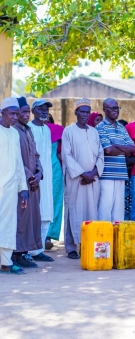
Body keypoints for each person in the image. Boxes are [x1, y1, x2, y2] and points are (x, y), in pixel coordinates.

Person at [62, 98, 104, 259]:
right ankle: (71, 247)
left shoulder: (94, 132)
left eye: (87, 112)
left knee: (91, 211)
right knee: (74, 210)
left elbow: (100, 154)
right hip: (76, 179)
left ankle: (88, 244)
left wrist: (93, 173)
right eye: (82, 111)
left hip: (92, 179)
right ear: (76, 113)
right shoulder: (69, 131)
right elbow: (67, 156)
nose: (85, 115)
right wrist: (82, 174)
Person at [11, 97, 43, 268]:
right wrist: (30, 175)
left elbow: (36, 155)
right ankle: (16, 253)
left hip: (33, 183)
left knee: (32, 219)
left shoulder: (28, 130)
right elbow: (15, 160)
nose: (25, 115)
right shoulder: (12, 131)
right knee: (20, 218)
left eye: (27, 111)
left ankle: (24, 252)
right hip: (20, 184)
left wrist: (39, 173)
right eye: (22, 111)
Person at [0, 97, 28, 275]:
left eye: (17, 114)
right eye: (12, 113)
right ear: (2, 113)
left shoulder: (15, 134)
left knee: (8, 224)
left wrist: (23, 188)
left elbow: (19, 163)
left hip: (10, 189)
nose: (15, 117)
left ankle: (6, 262)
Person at [96, 99, 135, 222]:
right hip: (106, 175)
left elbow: (132, 148)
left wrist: (116, 146)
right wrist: (123, 149)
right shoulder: (100, 127)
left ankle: (115, 240)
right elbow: (108, 150)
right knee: (104, 210)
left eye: (117, 108)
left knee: (118, 213)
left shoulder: (122, 128)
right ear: (104, 109)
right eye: (112, 108)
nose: (115, 110)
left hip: (121, 174)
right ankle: (104, 239)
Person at [28, 99, 54, 262]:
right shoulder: (27, 129)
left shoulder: (47, 129)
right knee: (33, 214)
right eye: (41, 109)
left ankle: (39, 250)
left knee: (46, 213)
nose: (45, 112)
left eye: (46, 109)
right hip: (34, 176)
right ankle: (29, 250)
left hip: (48, 176)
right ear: (33, 110)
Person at [45, 113, 64, 249]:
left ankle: (48, 236)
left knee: (55, 201)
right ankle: (39, 235)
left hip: (55, 169)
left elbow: (63, 151)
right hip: (39, 169)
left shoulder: (59, 130)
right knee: (40, 202)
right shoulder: (30, 130)